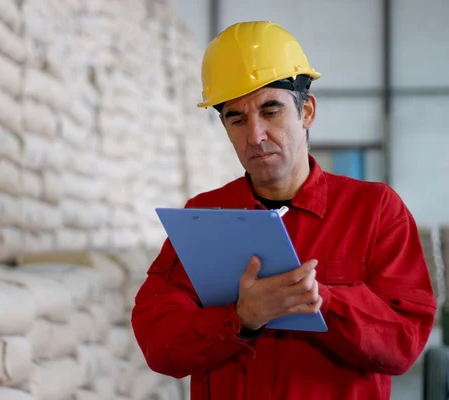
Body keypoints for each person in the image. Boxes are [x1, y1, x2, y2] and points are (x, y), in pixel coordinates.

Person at [130, 21, 437, 400]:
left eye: (270, 111)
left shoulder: (374, 210)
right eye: (236, 118)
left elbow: (402, 344)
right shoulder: (206, 215)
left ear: (306, 111)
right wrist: (241, 318)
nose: (255, 135)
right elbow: (158, 341)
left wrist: (321, 299)